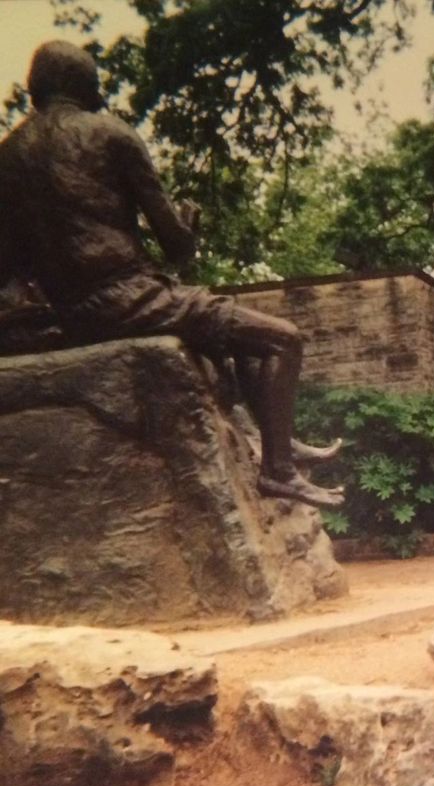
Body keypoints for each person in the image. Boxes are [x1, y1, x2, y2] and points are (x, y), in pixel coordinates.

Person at [0, 40, 342, 508]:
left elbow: (8, 266)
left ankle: (278, 441)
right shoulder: (109, 134)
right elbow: (176, 245)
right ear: (85, 86)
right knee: (283, 338)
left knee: (226, 323)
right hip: (130, 298)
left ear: (36, 87)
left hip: (73, 311)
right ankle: (279, 470)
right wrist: (188, 224)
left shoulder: (7, 157)